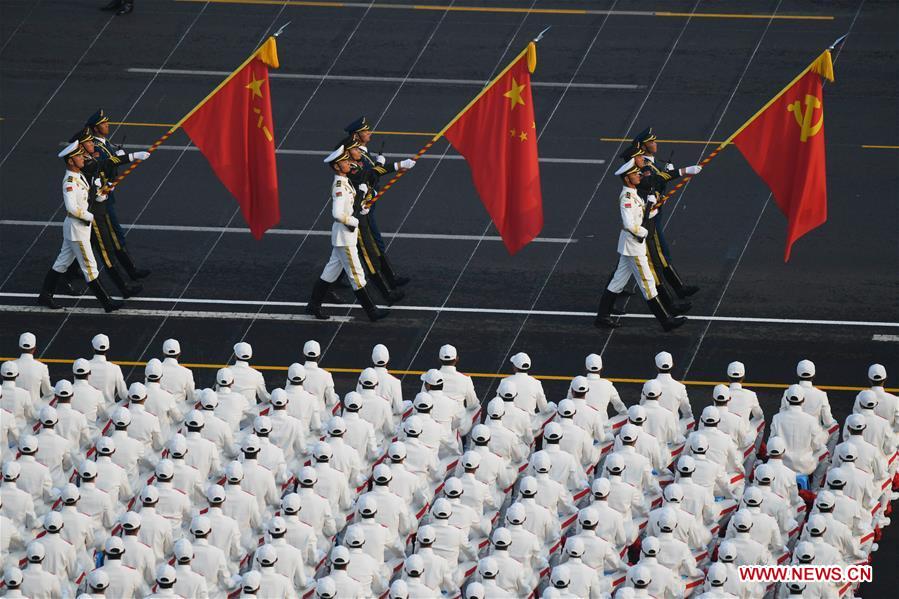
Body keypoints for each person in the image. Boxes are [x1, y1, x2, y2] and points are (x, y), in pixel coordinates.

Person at [594, 159, 685, 331]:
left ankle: (602, 317)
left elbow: (642, 216)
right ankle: (666, 321)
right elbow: (630, 224)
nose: (639, 175)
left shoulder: (634, 194)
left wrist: (655, 207)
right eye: (635, 174)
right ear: (628, 178)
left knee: (617, 282)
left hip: (630, 247)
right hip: (634, 246)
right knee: (648, 283)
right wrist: (644, 232)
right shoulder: (627, 198)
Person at [36, 140, 122, 311]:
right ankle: (107, 303)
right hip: (78, 229)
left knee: (62, 263)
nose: (83, 158)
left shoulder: (78, 176)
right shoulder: (69, 181)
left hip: (77, 228)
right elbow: (71, 208)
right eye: (78, 156)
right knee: (90, 267)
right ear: (70, 161)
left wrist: (99, 195)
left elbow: (85, 196)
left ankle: (45, 295)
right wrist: (90, 216)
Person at [306, 145, 388, 321]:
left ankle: (313, 304)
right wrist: (353, 220)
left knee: (330, 273)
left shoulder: (344, 182)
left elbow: (348, 208)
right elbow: (337, 214)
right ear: (336, 166)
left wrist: (360, 203)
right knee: (357, 275)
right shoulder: (339, 186)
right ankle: (372, 311)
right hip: (345, 237)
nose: (348, 162)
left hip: (343, 237)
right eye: (344, 161)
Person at [632, 126, 702, 298]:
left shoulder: (652, 162)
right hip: (648, 215)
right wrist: (678, 172)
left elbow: (658, 182)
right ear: (643, 145)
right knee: (659, 253)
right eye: (651, 142)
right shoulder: (643, 165)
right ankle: (675, 290)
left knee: (631, 260)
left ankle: (677, 289)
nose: (655, 144)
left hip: (656, 212)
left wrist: (667, 172)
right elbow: (653, 182)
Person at [345, 115, 414, 288]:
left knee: (345, 250)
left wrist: (377, 163)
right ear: (356, 135)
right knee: (372, 242)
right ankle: (390, 279)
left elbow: (371, 173)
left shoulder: (362, 152)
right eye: (365, 132)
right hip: (360, 206)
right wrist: (398, 165)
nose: (370, 134)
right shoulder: (353, 154)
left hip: (368, 201)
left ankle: (332, 282)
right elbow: (368, 175)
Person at [85, 109, 150, 280]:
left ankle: (67, 273)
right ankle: (131, 271)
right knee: (115, 235)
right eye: (103, 124)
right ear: (96, 128)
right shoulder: (95, 146)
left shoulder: (104, 142)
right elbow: (103, 164)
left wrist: (119, 157)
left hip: (107, 195)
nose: (107, 125)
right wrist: (130, 157)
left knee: (90, 240)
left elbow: (110, 163)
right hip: (99, 198)